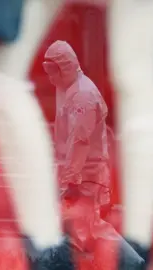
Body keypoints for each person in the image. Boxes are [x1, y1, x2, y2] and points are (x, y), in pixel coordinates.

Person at [44, 40, 111, 217]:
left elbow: (80, 140)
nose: (49, 76)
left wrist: (71, 182)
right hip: (79, 176)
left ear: (65, 68)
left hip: (85, 179)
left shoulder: (82, 95)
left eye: (52, 70)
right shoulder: (68, 88)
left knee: (86, 231)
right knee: (81, 232)